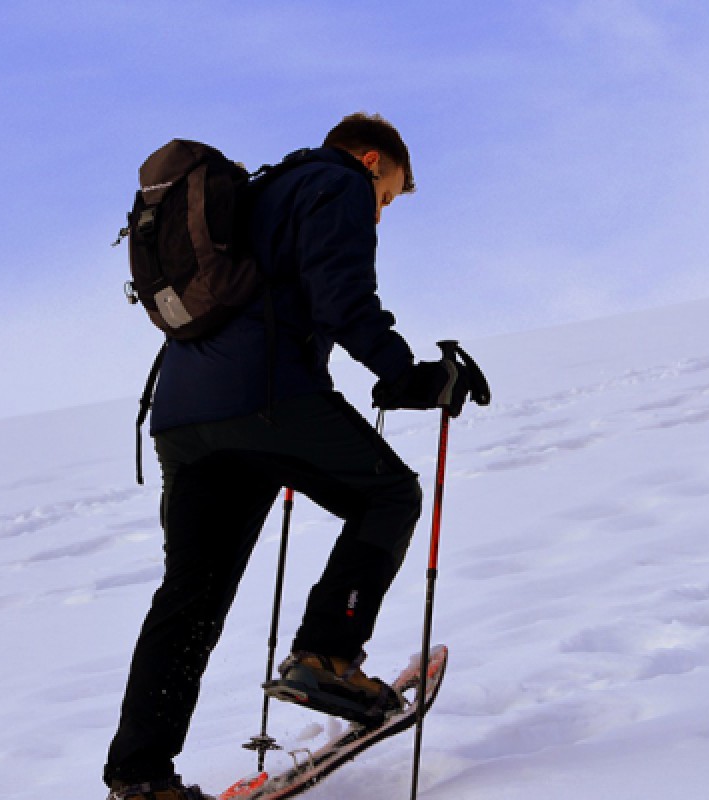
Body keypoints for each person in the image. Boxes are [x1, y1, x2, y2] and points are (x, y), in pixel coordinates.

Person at [103, 113, 476, 800]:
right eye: (386, 197)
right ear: (371, 161)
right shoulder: (336, 182)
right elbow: (343, 296)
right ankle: (327, 656)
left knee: (190, 599)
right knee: (389, 494)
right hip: (267, 397)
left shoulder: (254, 193)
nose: (379, 212)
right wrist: (408, 376)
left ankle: (140, 777)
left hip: (182, 418)